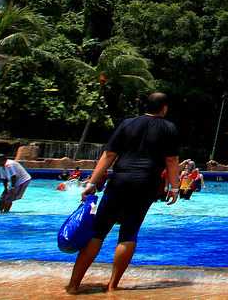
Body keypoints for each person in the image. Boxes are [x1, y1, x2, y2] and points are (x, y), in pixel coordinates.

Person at [66, 92, 180, 295]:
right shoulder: (169, 128)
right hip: (146, 184)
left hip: (119, 180)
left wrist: (92, 183)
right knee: (128, 233)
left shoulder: (127, 124)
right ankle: (112, 286)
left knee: (98, 232)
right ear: (164, 108)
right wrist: (174, 187)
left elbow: (109, 155)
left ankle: (74, 285)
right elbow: (171, 161)